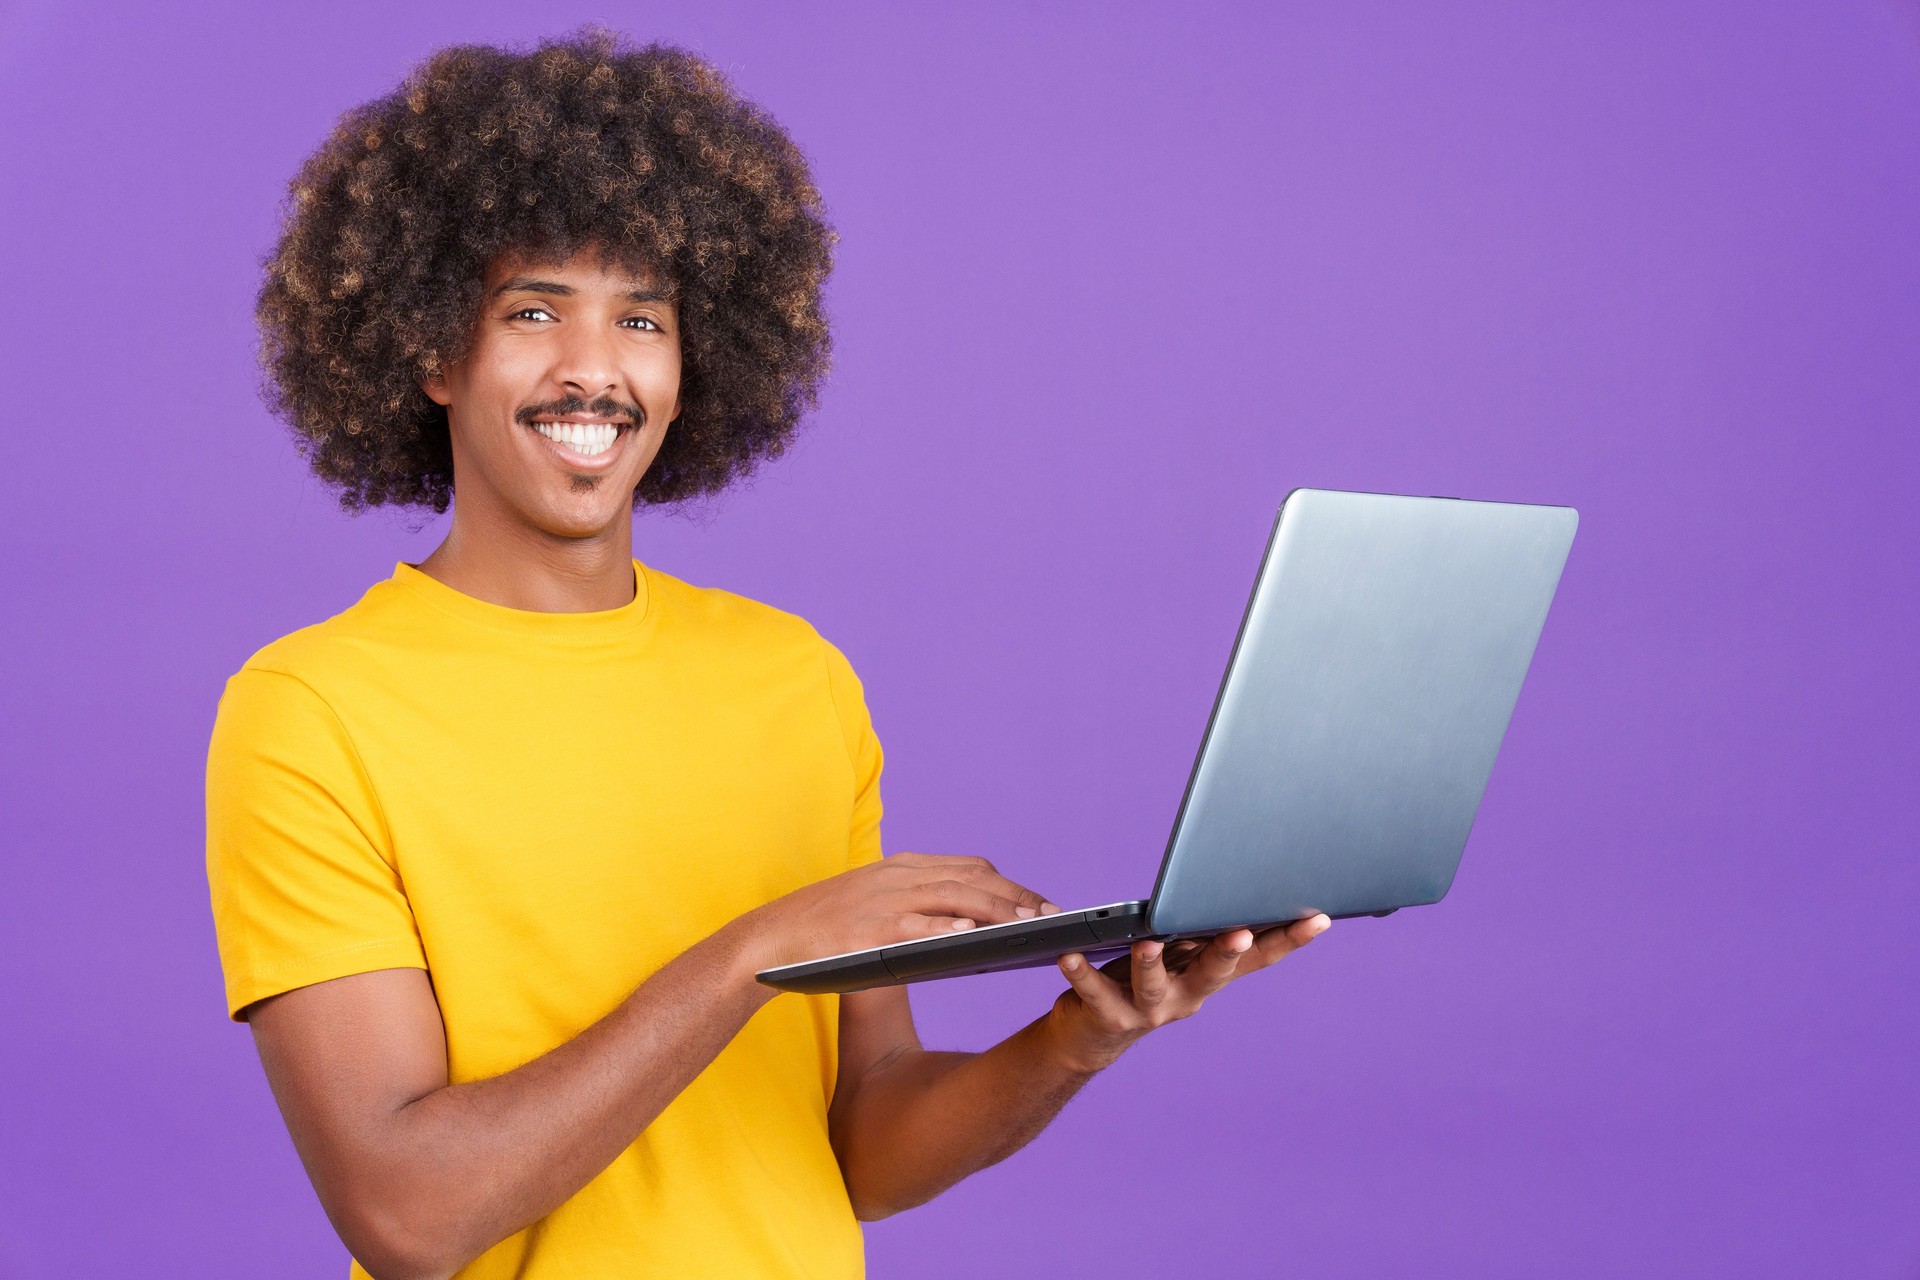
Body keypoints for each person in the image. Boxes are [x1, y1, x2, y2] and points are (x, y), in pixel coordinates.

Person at [206, 29, 1331, 1280]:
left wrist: (1079, 1034)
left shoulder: (793, 677)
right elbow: (409, 1214)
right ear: (429, 352)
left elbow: (860, 1144)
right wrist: (757, 949)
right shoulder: (312, 709)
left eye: (642, 318)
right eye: (533, 311)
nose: (594, 368)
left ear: (693, 368)